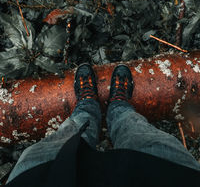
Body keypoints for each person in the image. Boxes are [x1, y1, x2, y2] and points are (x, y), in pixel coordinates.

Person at [5, 64, 200, 186]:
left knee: (57, 144)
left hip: (46, 178)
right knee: (141, 135)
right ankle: (118, 107)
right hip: (161, 175)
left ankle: (87, 105)